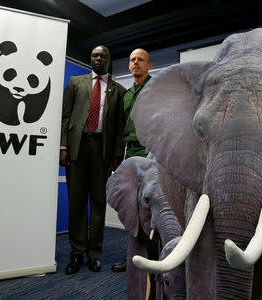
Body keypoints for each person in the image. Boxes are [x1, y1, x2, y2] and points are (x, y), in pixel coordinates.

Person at [60, 45, 126, 275]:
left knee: (98, 205)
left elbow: (120, 128)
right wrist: (63, 146)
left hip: (102, 150)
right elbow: (65, 116)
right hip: (77, 148)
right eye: (94, 55)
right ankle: (77, 252)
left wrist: (118, 155)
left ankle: (94, 254)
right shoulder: (75, 83)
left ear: (109, 59)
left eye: (103, 55)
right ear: (91, 59)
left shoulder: (118, 90)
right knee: (76, 203)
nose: (98, 58)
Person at [111, 48, 152, 273]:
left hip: (151, 152)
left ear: (149, 65)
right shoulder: (126, 94)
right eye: (132, 60)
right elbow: (120, 127)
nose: (135, 63)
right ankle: (133, 258)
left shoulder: (157, 88)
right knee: (132, 208)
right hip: (130, 153)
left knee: (150, 207)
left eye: (140, 60)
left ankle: (153, 257)